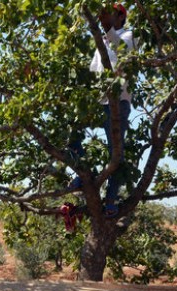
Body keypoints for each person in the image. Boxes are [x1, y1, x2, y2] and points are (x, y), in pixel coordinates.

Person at [69, 3, 135, 218]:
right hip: (96, 100)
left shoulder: (129, 34)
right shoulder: (102, 40)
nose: (105, 16)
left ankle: (111, 200)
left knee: (116, 154)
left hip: (118, 101)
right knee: (73, 136)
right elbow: (93, 70)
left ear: (121, 17)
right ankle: (84, 174)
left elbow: (122, 50)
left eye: (111, 14)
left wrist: (107, 30)